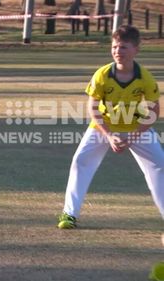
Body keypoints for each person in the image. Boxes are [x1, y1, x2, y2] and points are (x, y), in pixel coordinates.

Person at [57, 25, 164, 229]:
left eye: (123, 47)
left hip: (136, 129)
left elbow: (153, 112)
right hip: (103, 128)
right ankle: (69, 214)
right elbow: (93, 106)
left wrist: (132, 137)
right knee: (81, 161)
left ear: (136, 50)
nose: (117, 51)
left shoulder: (146, 78)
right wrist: (109, 135)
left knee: (160, 166)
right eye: (114, 47)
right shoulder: (103, 75)